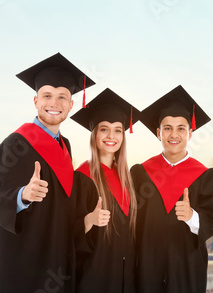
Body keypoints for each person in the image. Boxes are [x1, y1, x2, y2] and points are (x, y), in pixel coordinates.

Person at [0, 53, 96, 293]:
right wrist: (23, 195)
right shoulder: (15, 145)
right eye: (47, 96)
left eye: (62, 97)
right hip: (28, 269)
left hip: (59, 264)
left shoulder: (65, 145)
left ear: (71, 105)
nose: (54, 104)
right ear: (36, 101)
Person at [130, 85, 213, 293]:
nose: (174, 134)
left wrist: (191, 216)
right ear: (158, 132)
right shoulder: (139, 173)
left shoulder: (206, 176)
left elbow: (212, 224)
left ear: (190, 132)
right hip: (146, 270)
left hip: (187, 271)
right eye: (167, 128)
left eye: (181, 128)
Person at [70, 88, 141, 293]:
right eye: (104, 129)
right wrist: (89, 220)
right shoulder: (82, 177)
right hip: (94, 279)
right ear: (94, 134)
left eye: (118, 130)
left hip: (126, 280)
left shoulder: (128, 179)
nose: (112, 135)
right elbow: (65, 232)